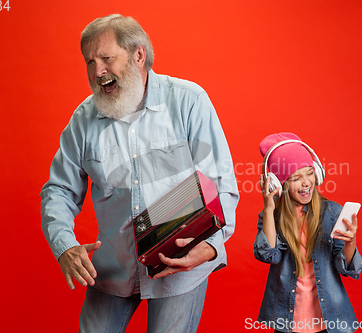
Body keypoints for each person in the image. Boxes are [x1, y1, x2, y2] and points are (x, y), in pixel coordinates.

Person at [40, 14, 239, 333]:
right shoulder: (83, 119)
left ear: (138, 55)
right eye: (89, 62)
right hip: (112, 268)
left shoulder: (189, 100)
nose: (97, 71)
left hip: (180, 265)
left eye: (106, 58)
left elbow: (221, 182)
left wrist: (211, 245)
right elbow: (59, 191)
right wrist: (64, 244)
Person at [254, 133, 362, 333]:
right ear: (279, 185)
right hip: (288, 320)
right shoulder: (272, 217)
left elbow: (347, 269)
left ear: (318, 173)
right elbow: (268, 255)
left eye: (310, 173)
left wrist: (350, 242)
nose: (306, 183)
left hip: (329, 319)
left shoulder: (332, 213)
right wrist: (269, 208)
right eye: (296, 178)